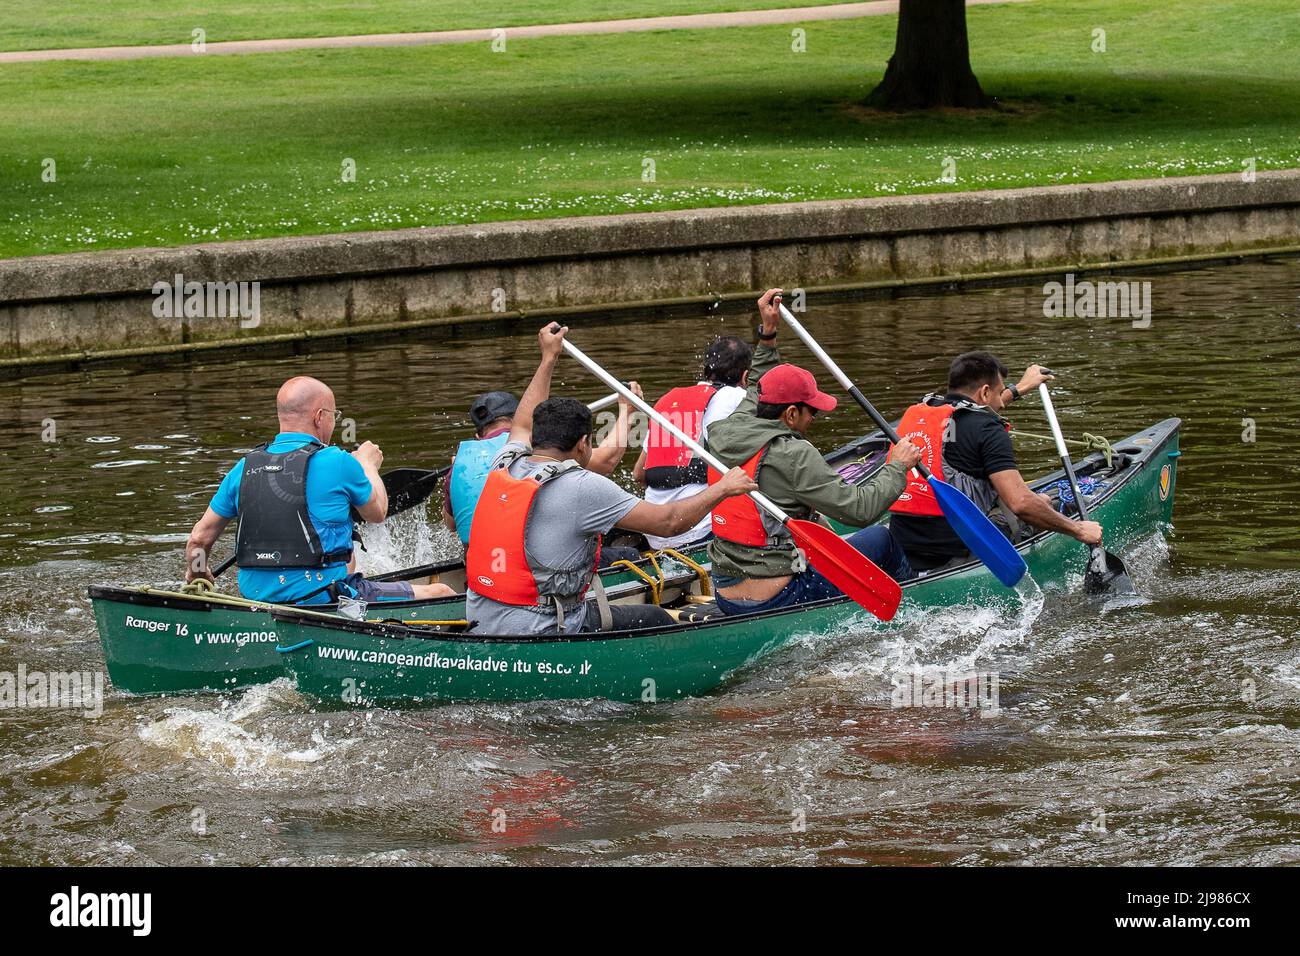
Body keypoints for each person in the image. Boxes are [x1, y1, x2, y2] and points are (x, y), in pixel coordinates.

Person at [465, 323, 758, 636]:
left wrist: (548, 358)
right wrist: (725, 488)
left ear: (536, 437)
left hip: (484, 615)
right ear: (583, 444)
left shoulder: (506, 461)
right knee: (656, 618)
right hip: (543, 627)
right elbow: (669, 522)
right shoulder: (584, 486)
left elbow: (522, 421)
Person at [704, 289, 924, 615]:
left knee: (821, 527)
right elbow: (859, 510)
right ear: (791, 414)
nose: (814, 419)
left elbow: (759, 384)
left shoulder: (728, 427)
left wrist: (768, 333)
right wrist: (897, 466)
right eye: (812, 412)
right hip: (777, 596)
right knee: (881, 539)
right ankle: (918, 609)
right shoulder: (794, 453)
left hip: (725, 591)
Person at [184, 376, 454, 605]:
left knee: (348, 561)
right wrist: (367, 465)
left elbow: (199, 539)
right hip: (322, 597)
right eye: (335, 416)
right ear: (319, 417)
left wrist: (198, 576)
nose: (335, 424)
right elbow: (378, 513)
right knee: (442, 592)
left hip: (256, 597)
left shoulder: (244, 467)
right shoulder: (338, 461)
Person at [883, 351, 1103, 577]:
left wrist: (1020, 388)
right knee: (1044, 501)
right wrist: (1078, 530)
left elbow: (973, 411)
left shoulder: (921, 414)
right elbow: (1021, 504)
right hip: (956, 550)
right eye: (999, 393)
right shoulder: (988, 429)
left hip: (906, 543)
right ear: (986, 391)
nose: (1002, 404)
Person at [443, 385, 641, 546]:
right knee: (625, 542)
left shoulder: (459, 463)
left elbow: (452, 524)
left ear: (478, 435)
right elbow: (607, 460)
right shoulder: (532, 447)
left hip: (481, 563)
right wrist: (627, 411)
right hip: (530, 562)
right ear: (521, 419)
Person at [631, 336, 752, 551]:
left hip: (654, 533)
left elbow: (639, 475)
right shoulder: (739, 396)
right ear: (745, 376)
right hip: (700, 532)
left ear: (706, 370)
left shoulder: (669, 399)